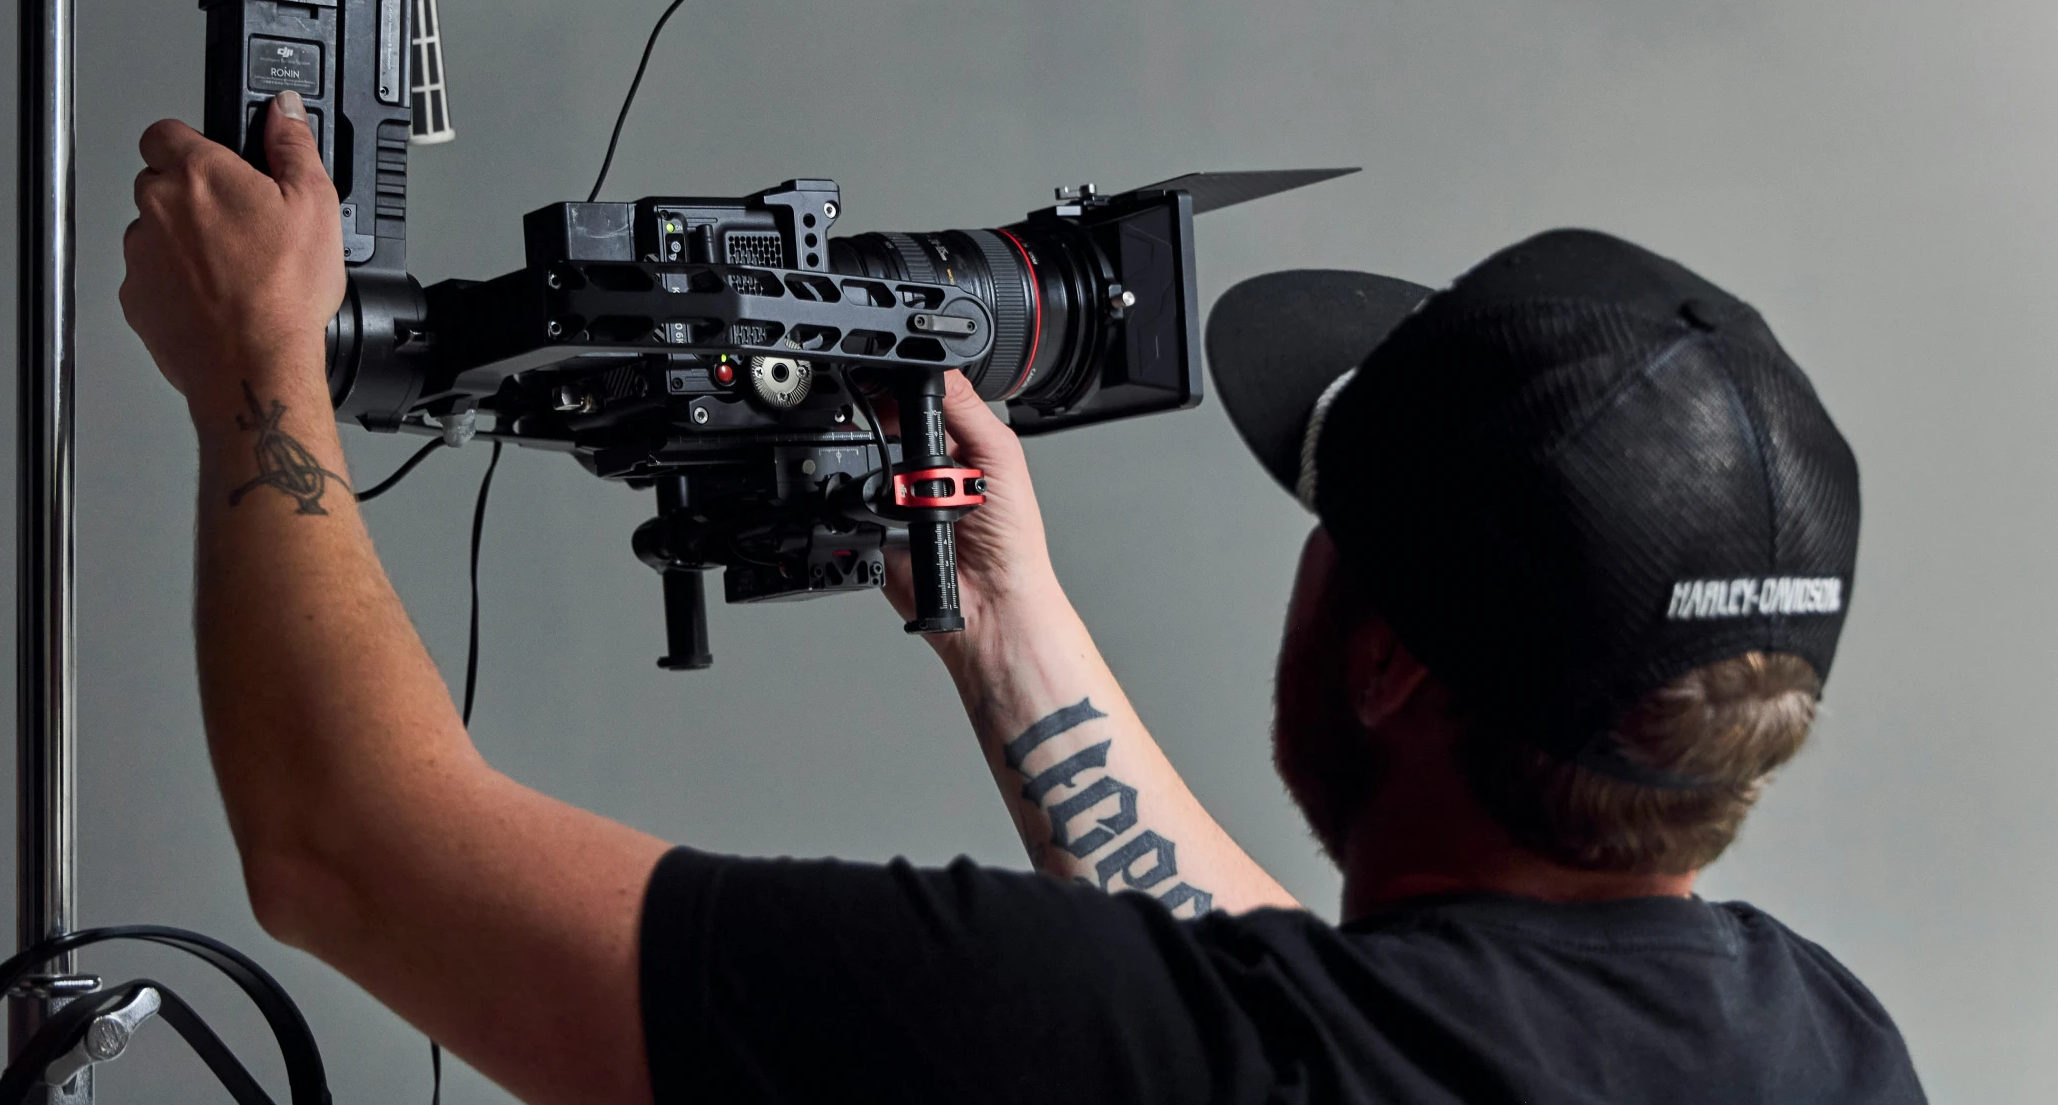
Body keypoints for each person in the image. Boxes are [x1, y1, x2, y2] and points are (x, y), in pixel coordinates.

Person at [119, 91, 1923, 1104]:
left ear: (1375, 661)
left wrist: (259, 374)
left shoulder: (1051, 1038)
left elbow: (355, 852)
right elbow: (1315, 1021)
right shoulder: (1825, 1049)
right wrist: (1004, 617)